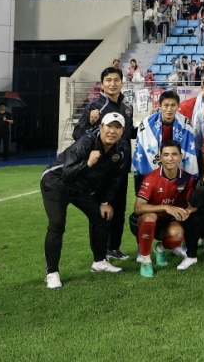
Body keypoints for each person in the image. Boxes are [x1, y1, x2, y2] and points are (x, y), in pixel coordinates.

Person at [40, 112, 130, 288]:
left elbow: (115, 178)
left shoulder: (122, 149)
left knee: (102, 216)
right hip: (56, 183)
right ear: (101, 127)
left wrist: (104, 202)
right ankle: (52, 273)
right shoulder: (86, 143)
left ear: (122, 131)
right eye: (109, 126)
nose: (112, 131)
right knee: (57, 224)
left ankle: (99, 262)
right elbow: (66, 174)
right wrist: (88, 163)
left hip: (81, 188)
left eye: (117, 127)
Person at [73, 67, 135, 261]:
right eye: (108, 80)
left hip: (121, 168)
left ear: (122, 83)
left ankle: (113, 248)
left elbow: (130, 132)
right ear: (102, 84)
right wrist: (89, 122)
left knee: (119, 209)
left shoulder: (127, 107)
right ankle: (100, 254)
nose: (112, 84)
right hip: (100, 170)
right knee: (99, 211)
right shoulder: (93, 107)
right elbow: (77, 134)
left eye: (116, 80)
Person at [131, 141, 196, 277]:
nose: (170, 158)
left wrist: (188, 211)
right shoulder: (151, 178)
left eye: (174, 154)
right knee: (151, 217)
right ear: (160, 158)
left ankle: (159, 248)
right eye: (166, 155)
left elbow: (193, 204)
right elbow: (138, 208)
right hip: (143, 221)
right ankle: (146, 261)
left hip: (167, 222)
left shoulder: (187, 179)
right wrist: (166, 207)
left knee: (178, 233)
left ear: (180, 156)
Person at [133, 90, 198, 192]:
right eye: (166, 105)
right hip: (153, 165)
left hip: (174, 161)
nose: (169, 109)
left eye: (173, 105)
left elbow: (188, 150)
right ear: (160, 106)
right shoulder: (147, 123)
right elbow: (142, 149)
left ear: (178, 106)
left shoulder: (186, 124)